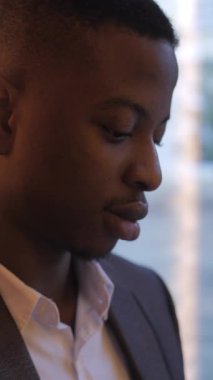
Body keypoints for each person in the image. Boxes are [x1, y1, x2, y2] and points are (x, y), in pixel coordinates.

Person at [0, 0, 184, 379]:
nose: (151, 175)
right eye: (119, 130)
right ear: (5, 115)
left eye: (158, 138)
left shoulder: (148, 297)